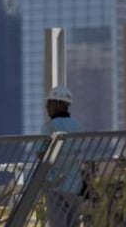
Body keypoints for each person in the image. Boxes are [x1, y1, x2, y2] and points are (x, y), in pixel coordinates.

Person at [39, 85, 85, 227]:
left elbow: (41, 154)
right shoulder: (77, 125)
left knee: (58, 223)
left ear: (59, 104)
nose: (47, 107)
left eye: (50, 103)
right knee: (75, 222)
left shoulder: (49, 127)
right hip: (76, 185)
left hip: (55, 185)